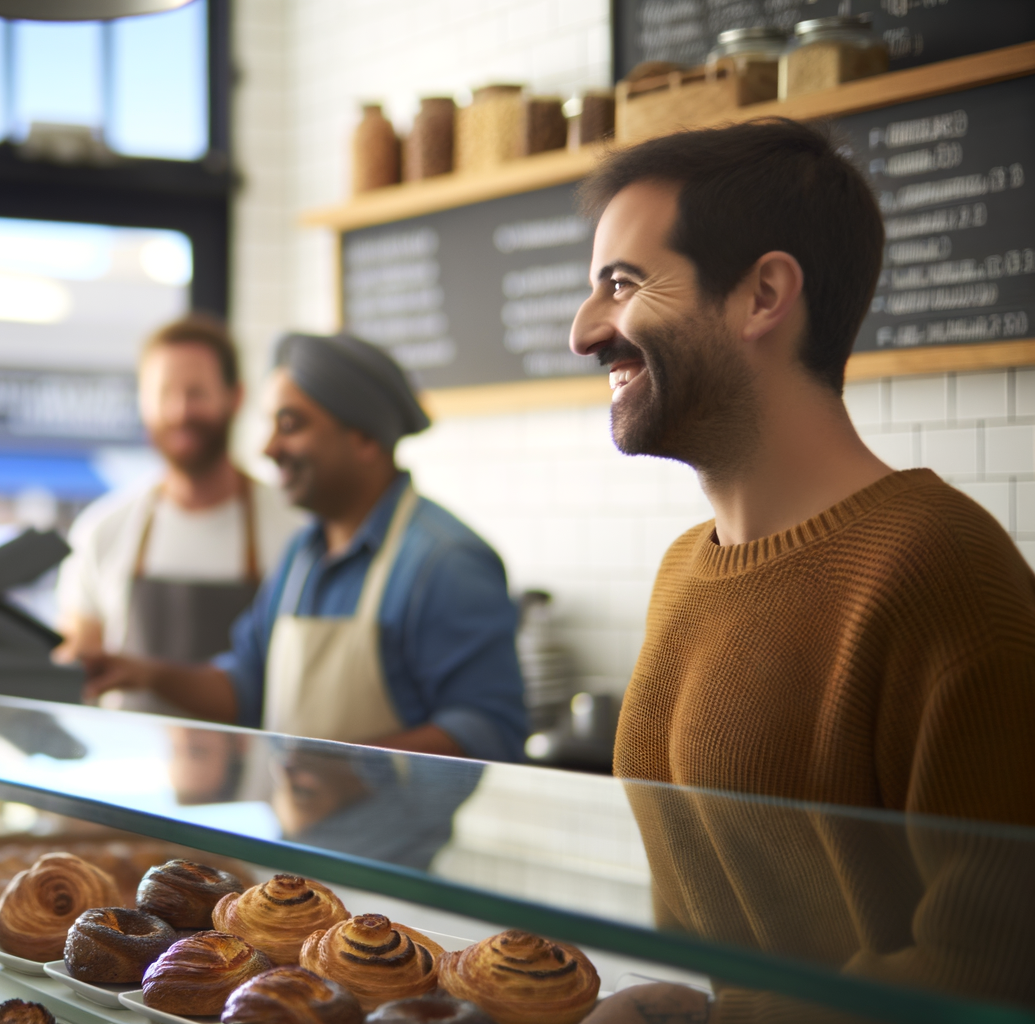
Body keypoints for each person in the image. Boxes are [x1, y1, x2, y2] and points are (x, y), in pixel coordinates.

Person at [568, 118, 1035, 1020]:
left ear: (764, 295)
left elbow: (996, 965)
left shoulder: (945, 570)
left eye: (622, 285)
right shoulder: (683, 572)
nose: (587, 331)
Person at [86, 332, 528, 759]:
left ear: (364, 439)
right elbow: (246, 684)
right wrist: (147, 674)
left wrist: (348, 768)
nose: (268, 448)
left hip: (402, 837)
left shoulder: (445, 562)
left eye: (290, 425)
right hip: (296, 831)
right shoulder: (303, 553)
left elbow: (489, 728)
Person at [56, 315, 304, 716]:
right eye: (164, 393)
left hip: (257, 773)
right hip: (129, 767)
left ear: (235, 397)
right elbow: (80, 653)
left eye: (196, 393)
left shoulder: (295, 530)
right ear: (142, 401)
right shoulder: (104, 529)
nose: (179, 411)